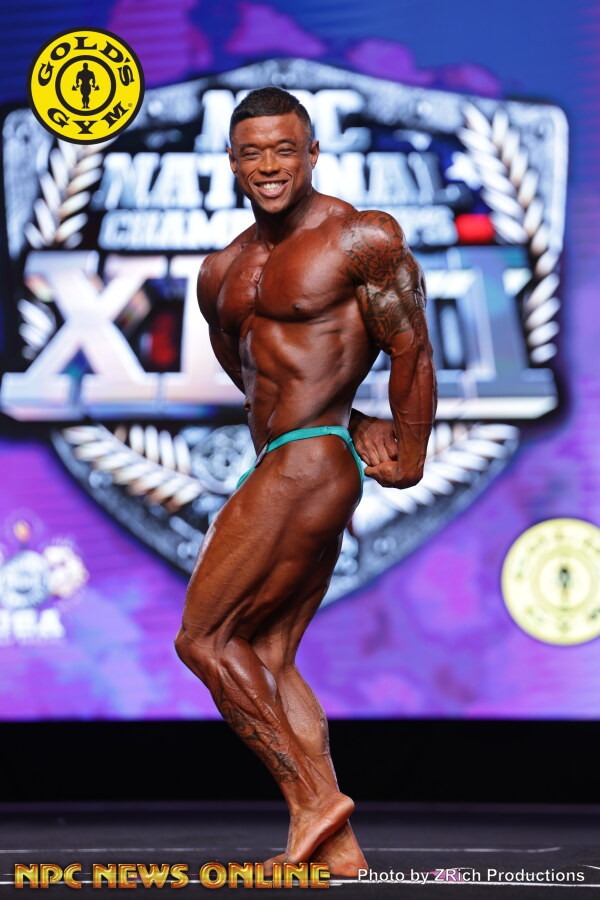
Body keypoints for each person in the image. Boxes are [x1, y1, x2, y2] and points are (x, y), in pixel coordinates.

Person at [175, 86, 437, 877]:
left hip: (308, 462)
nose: (269, 166)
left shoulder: (360, 238)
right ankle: (338, 849)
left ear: (313, 153)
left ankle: (312, 801)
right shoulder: (220, 272)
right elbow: (255, 378)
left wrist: (411, 448)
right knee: (267, 652)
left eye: (284, 150)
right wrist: (349, 421)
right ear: (231, 162)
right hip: (288, 455)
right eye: (252, 153)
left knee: (203, 639)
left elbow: (411, 348)